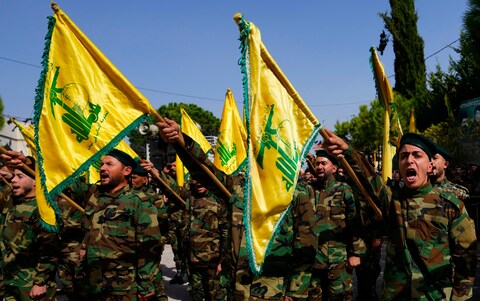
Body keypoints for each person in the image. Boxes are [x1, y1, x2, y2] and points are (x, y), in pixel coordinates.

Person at [155, 118, 317, 301]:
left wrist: (296, 293)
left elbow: (306, 245)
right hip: (236, 288)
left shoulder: (295, 192)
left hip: (274, 290)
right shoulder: (239, 186)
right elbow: (205, 172)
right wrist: (180, 141)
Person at [322, 130, 477, 300]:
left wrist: (459, 298)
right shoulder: (391, 201)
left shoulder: (450, 206)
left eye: (417, 155)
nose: (409, 160)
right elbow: (368, 178)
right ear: (399, 167)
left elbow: (466, 261)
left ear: (430, 166)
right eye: (404, 156)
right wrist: (347, 151)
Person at [78, 149, 162, 300]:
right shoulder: (95, 197)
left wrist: (146, 283)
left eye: (109, 164)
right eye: (102, 164)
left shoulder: (138, 201)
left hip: (124, 287)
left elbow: (149, 247)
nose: (103, 168)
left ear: (127, 171)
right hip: (93, 282)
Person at [0, 156, 59, 300]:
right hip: (8, 280)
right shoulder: (10, 199)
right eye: (13, 176)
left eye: (20, 176)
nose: (13, 180)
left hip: (30, 283)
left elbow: (49, 248)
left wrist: (40, 282)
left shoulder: (43, 209)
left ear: (35, 182)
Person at [308, 150, 364, 301]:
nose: (319, 167)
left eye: (323, 163)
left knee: (341, 297)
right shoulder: (308, 190)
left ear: (333, 168)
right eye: (317, 163)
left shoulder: (344, 190)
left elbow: (355, 222)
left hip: (338, 259)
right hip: (313, 259)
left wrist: (355, 253)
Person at [183, 179, 229, 301]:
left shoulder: (218, 200)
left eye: (201, 179)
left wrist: (222, 261)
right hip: (193, 260)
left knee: (215, 295)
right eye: (195, 179)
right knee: (196, 294)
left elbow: (226, 233)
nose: (198, 183)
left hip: (212, 261)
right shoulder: (191, 197)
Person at [132, 160, 169, 301]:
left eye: (134, 177)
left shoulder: (153, 198)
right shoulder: (126, 196)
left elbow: (163, 222)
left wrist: (160, 242)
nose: (131, 181)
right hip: (133, 248)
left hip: (151, 246)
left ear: (145, 179)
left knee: (153, 279)